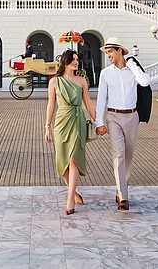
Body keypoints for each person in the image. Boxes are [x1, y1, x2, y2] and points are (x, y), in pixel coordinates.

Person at [95, 37, 150, 211]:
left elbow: (145, 82)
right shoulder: (106, 73)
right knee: (118, 155)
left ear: (120, 50)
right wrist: (99, 121)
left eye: (110, 51)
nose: (108, 55)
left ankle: (121, 189)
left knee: (129, 155)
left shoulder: (133, 71)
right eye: (107, 52)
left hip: (132, 117)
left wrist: (132, 64)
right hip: (113, 117)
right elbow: (101, 98)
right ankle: (123, 197)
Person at [44, 49, 97, 215]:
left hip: (77, 121)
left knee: (74, 159)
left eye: (77, 59)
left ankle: (69, 202)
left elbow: (87, 103)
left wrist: (99, 122)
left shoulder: (82, 81)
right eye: (73, 59)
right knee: (63, 161)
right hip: (60, 123)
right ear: (65, 61)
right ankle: (73, 192)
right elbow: (51, 105)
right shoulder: (54, 82)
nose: (76, 62)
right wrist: (47, 127)